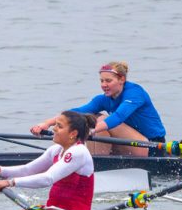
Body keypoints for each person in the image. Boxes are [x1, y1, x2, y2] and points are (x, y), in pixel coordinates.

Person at [0, 110, 97, 210]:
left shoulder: (79, 152)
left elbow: (47, 178)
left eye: (59, 126)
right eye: (55, 124)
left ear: (73, 133)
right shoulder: (56, 150)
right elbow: (28, 169)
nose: (54, 129)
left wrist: (10, 182)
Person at [32, 61, 165, 157]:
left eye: (108, 81)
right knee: (90, 117)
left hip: (152, 147)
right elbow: (76, 112)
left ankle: (94, 165)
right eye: (101, 81)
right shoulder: (103, 99)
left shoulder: (135, 93)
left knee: (100, 120)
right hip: (128, 145)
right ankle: (94, 164)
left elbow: (118, 117)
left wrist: (92, 130)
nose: (104, 85)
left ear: (122, 79)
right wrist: (46, 123)